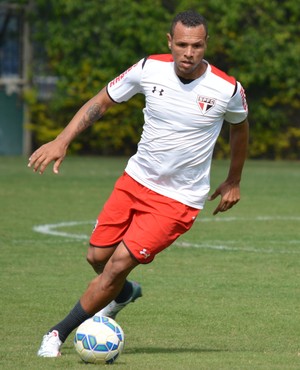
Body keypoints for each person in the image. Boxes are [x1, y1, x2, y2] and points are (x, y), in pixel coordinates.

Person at [29, 10, 249, 357]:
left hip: (179, 200)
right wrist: (62, 140)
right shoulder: (148, 69)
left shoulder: (227, 89)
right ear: (169, 42)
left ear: (206, 44)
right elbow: (101, 102)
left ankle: (57, 333)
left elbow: (240, 128)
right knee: (97, 257)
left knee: (116, 265)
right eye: (181, 45)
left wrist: (233, 180)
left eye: (196, 45)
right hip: (134, 181)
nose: (188, 53)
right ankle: (123, 293)